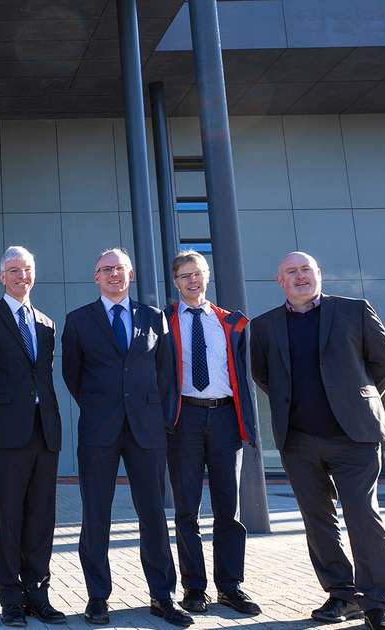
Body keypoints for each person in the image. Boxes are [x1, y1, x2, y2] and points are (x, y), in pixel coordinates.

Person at [250, 251, 385, 630]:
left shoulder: (354, 310)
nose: (300, 277)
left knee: (362, 516)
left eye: (306, 270)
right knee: (317, 520)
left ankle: (377, 602)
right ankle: (341, 594)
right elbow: (263, 375)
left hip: (355, 437)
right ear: (279, 281)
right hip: (299, 440)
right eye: (291, 272)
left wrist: (357, 399)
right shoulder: (264, 326)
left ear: (318, 274)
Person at [61, 247, 193, 627]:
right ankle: (97, 597)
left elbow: (166, 373)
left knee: (152, 514)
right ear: (96, 277)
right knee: (96, 514)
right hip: (99, 429)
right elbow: (74, 375)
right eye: (106, 270)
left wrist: (161, 417)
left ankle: (161, 596)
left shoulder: (154, 318)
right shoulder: (78, 320)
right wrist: (99, 405)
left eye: (120, 269)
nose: (114, 275)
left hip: (147, 430)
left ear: (130, 274)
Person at [0, 246, 66, 627]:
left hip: (46, 432)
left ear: (33, 274)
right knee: (8, 519)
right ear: (1, 277)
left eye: (26, 269)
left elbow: (46, 375)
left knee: (41, 519)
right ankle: (10, 598)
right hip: (7, 436)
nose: (21, 276)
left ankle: (38, 595)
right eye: (13, 270)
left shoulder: (46, 322)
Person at [164, 250, 261, 616]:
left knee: (229, 509)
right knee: (187, 510)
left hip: (224, 419)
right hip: (184, 419)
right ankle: (194, 588)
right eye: (186, 275)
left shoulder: (230, 322)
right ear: (175, 282)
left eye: (199, 273)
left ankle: (231, 586)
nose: (193, 280)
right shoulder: (164, 322)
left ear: (207, 277)